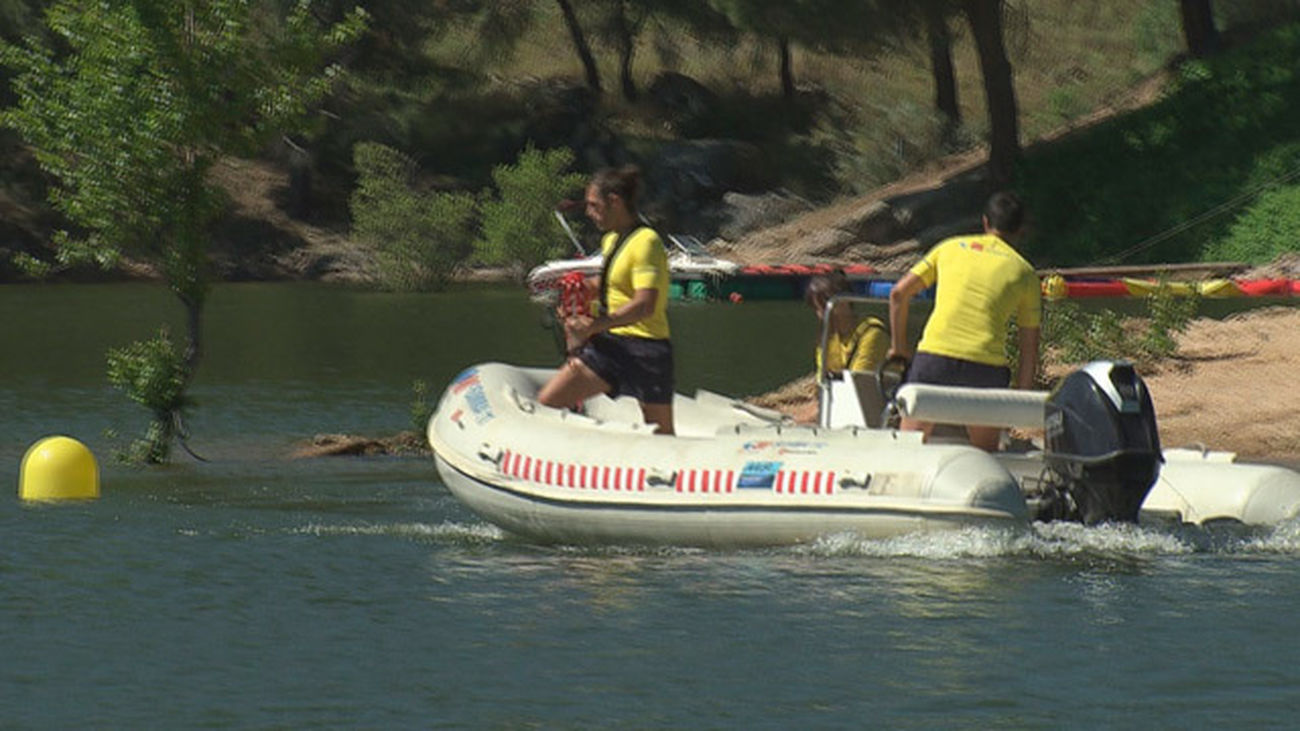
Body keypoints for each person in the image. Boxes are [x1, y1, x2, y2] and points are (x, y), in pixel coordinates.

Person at [886, 191, 1041, 450]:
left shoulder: (950, 248)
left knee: (907, 451)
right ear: (1020, 230)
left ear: (984, 222)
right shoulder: (1025, 273)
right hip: (986, 369)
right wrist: (1020, 398)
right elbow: (1029, 346)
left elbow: (898, 294)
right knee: (985, 459)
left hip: (934, 359)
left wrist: (898, 347)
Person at [537, 165, 675, 435]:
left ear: (615, 202)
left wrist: (592, 326)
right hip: (611, 347)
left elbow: (644, 304)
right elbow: (613, 283)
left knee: (661, 433)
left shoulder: (646, 242)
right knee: (548, 402)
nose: (589, 213)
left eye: (594, 205)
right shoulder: (612, 239)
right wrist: (582, 289)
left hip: (647, 349)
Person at [806, 270, 888, 380]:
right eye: (817, 309)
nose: (820, 315)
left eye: (823, 307)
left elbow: (857, 381)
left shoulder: (872, 333)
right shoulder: (828, 338)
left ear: (844, 302)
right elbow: (822, 379)